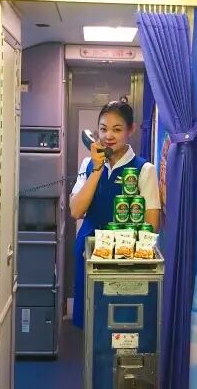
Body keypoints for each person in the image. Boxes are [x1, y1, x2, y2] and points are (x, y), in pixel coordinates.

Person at [69, 101, 161, 329]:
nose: (108, 136)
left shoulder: (144, 169)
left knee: (120, 325)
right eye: (103, 129)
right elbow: (76, 211)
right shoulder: (88, 164)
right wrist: (97, 170)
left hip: (124, 259)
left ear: (131, 130)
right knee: (90, 325)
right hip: (90, 254)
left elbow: (152, 226)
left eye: (117, 129)